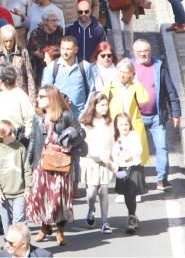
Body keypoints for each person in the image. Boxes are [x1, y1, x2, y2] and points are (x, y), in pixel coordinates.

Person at [26, 85, 81, 246]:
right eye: (39, 96)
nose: (38, 99)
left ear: (52, 98)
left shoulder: (66, 116)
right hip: (41, 163)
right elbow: (33, 141)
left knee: (59, 199)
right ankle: (45, 226)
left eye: (42, 96)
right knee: (41, 197)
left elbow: (80, 134)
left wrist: (69, 144)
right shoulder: (38, 117)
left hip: (60, 163)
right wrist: (29, 163)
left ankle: (60, 230)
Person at [131, 39, 181, 190]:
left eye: (145, 51)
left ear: (150, 51)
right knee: (136, 150)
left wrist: (176, 113)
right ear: (134, 53)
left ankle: (162, 179)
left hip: (157, 116)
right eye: (139, 52)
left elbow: (171, 90)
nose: (143, 54)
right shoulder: (129, 68)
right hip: (136, 117)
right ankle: (139, 182)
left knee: (162, 148)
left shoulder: (159, 67)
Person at [78, 92, 115, 234]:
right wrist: (96, 156)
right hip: (90, 160)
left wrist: (112, 157)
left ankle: (105, 222)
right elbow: (83, 146)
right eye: (102, 105)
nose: (105, 108)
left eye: (106, 105)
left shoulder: (109, 122)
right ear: (94, 105)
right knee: (92, 192)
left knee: (104, 190)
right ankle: (91, 208)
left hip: (105, 161)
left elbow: (112, 141)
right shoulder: (85, 123)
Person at [0, 119, 32, 235]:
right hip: (3, 194)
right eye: (10, 134)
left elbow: (27, 169)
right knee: (6, 222)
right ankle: (10, 245)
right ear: (1, 135)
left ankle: (21, 244)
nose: (14, 135)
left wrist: (28, 187)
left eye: (14, 132)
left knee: (19, 220)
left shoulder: (20, 148)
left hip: (20, 192)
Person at [112, 112, 145, 233]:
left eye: (126, 124)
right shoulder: (116, 138)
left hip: (134, 167)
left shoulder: (134, 135)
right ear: (116, 126)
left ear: (130, 125)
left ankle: (131, 217)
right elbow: (114, 153)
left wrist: (131, 156)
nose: (124, 127)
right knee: (126, 195)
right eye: (121, 124)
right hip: (122, 168)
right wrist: (115, 164)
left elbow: (139, 148)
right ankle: (132, 214)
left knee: (132, 193)